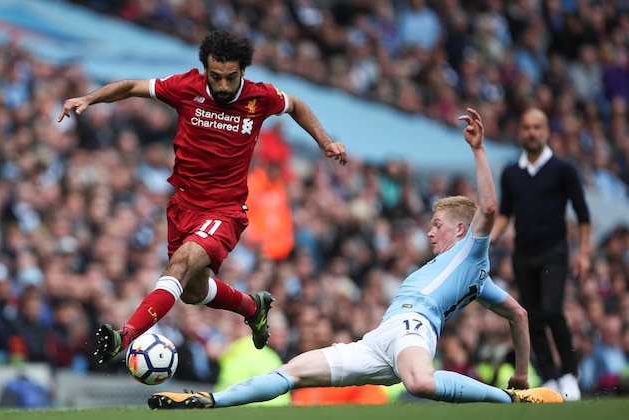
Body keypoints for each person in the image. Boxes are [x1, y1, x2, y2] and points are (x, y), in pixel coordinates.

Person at [146, 108, 563, 410]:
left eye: (437, 224)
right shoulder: (477, 281)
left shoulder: (473, 254)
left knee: (420, 382)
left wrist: (478, 150)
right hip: (380, 341)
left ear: (460, 229)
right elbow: (519, 315)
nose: (430, 231)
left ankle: (508, 400)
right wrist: (523, 370)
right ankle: (207, 401)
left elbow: (488, 210)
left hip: (414, 330)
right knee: (292, 372)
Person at [57, 29, 348, 363]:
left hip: (224, 212)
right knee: (194, 293)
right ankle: (253, 307)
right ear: (205, 70)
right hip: (182, 206)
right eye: (215, 77)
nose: (222, 86)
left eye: (230, 78)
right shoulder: (185, 87)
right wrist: (89, 98)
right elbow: (131, 87)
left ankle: (125, 337)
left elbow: (296, 105)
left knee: (178, 266)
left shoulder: (260, 97)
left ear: (243, 71)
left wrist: (324, 141)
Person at [490, 107, 591, 401]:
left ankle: (570, 372)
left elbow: (582, 213)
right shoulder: (511, 173)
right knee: (532, 317)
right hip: (524, 252)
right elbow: (506, 213)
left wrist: (583, 252)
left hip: (554, 251)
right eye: (526, 127)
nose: (532, 133)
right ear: (519, 132)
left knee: (552, 310)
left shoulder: (563, 169)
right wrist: (489, 239)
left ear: (546, 131)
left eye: (537, 127)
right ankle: (550, 376)